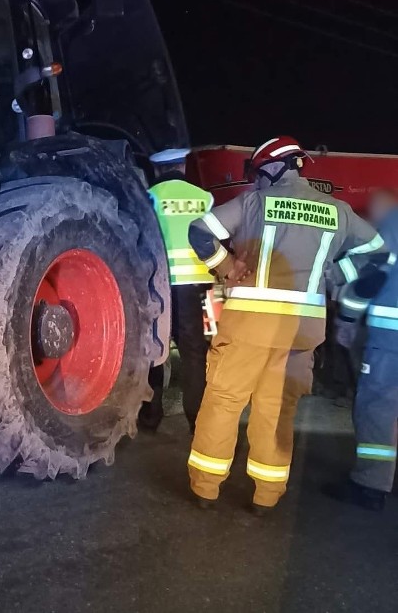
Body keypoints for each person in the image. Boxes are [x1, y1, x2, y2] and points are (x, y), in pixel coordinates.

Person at [185, 136, 383, 515]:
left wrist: (226, 267)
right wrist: (334, 273)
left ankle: (206, 489)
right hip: (302, 332)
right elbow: (376, 251)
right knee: (277, 410)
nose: (256, 181)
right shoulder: (338, 211)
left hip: (250, 325)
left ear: (273, 168)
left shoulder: (253, 202)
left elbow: (199, 230)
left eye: (258, 173)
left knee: (225, 400)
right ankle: (266, 496)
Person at [323, 192, 398, 511]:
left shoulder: (393, 224)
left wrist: (347, 317)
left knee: (377, 410)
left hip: (391, 337)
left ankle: (371, 484)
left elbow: (373, 273)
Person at [139, 148, 213, 433]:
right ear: (183, 167)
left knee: (155, 348)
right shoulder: (204, 198)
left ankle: (150, 416)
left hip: (158, 283)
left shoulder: (150, 196)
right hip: (194, 284)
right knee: (194, 352)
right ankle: (198, 420)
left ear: (157, 170)